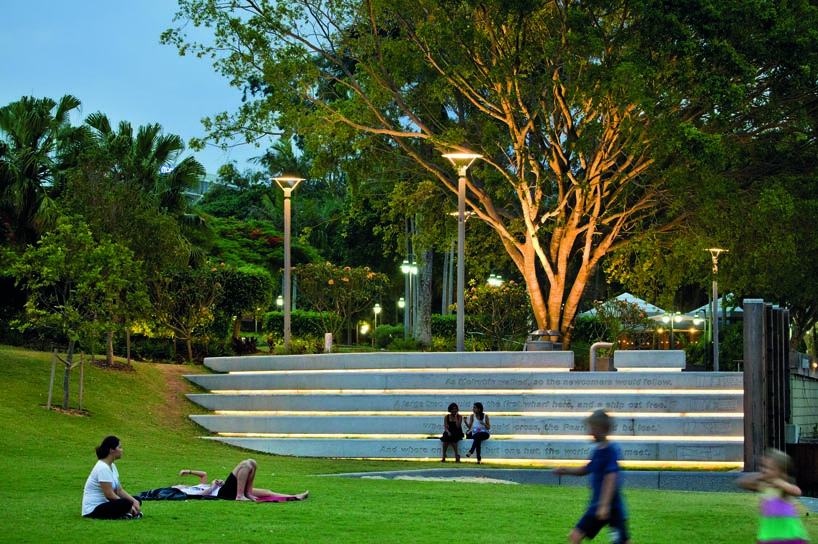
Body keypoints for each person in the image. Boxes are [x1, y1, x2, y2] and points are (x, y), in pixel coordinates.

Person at [554, 410, 631, 544]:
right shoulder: (598, 451)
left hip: (611, 507)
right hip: (598, 505)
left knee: (576, 536)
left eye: (592, 428)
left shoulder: (610, 451)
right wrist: (565, 471)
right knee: (575, 536)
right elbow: (586, 469)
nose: (590, 432)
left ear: (601, 429)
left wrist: (604, 505)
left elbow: (611, 477)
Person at [736, 448, 809, 544]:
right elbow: (742, 483)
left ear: (781, 471)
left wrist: (779, 482)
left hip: (788, 534)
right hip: (769, 533)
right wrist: (760, 477)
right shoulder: (764, 486)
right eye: (763, 467)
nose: (764, 470)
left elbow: (797, 492)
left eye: (769, 468)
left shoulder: (782, 487)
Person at [180, 460, 308, 501]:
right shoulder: (187, 492)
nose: (181, 484)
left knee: (253, 464)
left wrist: (189, 471)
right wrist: (213, 486)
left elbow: (204, 475)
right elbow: (202, 495)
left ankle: (295, 497)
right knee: (245, 465)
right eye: (179, 485)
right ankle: (240, 495)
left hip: (225, 489)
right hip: (222, 493)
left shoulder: (196, 485)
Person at [82, 435, 142, 519]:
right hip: (94, 509)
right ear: (111, 450)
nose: (122, 450)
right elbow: (109, 495)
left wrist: (133, 501)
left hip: (106, 504)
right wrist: (128, 505)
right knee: (125, 503)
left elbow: (119, 490)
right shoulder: (102, 468)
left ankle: (127, 513)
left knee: (136, 499)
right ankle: (126, 513)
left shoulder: (112, 466)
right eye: (120, 447)